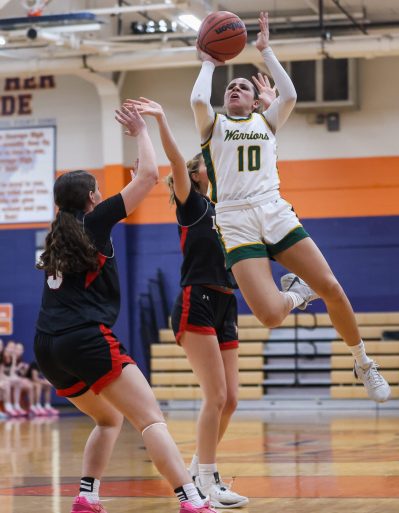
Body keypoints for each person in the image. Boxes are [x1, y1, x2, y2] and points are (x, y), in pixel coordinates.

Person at [190, 11, 391, 402]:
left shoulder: (267, 122)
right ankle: (298, 294)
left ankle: (363, 362)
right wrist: (209, 63)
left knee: (331, 285)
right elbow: (199, 96)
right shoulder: (211, 126)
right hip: (233, 218)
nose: (235, 90)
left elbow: (291, 95)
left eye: (243, 87)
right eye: (230, 87)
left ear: (255, 100)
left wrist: (266, 52)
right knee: (268, 316)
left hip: (272, 208)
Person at [33, 105, 215, 513]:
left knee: (109, 418)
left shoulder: (59, 235)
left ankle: (87, 495)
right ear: (93, 199)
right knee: (151, 419)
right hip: (84, 338)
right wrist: (140, 131)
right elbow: (152, 175)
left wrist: (131, 183)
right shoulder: (95, 223)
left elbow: (136, 184)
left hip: (47, 345)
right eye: (99, 190)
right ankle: (192, 498)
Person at [124, 90, 275, 508]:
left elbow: (254, 157)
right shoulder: (193, 206)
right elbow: (175, 161)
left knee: (233, 399)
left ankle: (199, 468)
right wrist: (160, 121)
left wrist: (264, 113)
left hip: (228, 303)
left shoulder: (230, 207)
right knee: (216, 396)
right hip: (197, 300)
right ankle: (207, 480)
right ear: (201, 170)